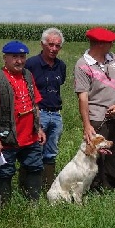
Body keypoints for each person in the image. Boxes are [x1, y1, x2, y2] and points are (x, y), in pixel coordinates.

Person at [0, 40, 46, 205]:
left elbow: (35, 104)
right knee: (5, 173)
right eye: (14, 57)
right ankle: (4, 209)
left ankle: (33, 204)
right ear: (5, 58)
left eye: (22, 56)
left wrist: (38, 128)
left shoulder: (28, 75)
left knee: (35, 168)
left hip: (30, 136)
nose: (19, 60)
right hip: (7, 138)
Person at [74, 27, 115, 190]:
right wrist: (87, 124)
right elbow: (83, 97)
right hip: (98, 118)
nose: (112, 44)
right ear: (99, 44)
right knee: (96, 156)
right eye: (109, 42)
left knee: (114, 153)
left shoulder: (113, 59)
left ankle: (110, 187)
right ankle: (94, 188)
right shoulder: (82, 65)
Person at [24, 27, 67, 190]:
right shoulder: (31, 64)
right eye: (50, 44)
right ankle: (29, 187)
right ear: (42, 44)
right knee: (34, 150)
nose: (54, 49)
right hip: (38, 112)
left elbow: (60, 83)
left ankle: (47, 187)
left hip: (55, 114)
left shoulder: (61, 66)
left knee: (51, 152)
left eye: (57, 46)